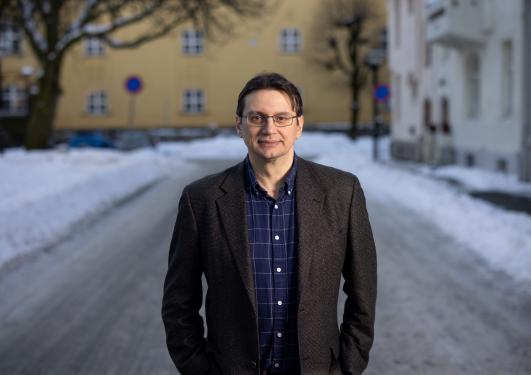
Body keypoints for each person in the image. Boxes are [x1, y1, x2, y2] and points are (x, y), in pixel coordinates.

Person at [162, 72, 377, 375]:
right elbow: (178, 302)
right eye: (256, 117)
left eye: (281, 118)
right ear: (239, 125)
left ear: (298, 125)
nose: (269, 128)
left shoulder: (342, 192)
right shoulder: (202, 200)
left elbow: (363, 293)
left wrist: (348, 367)